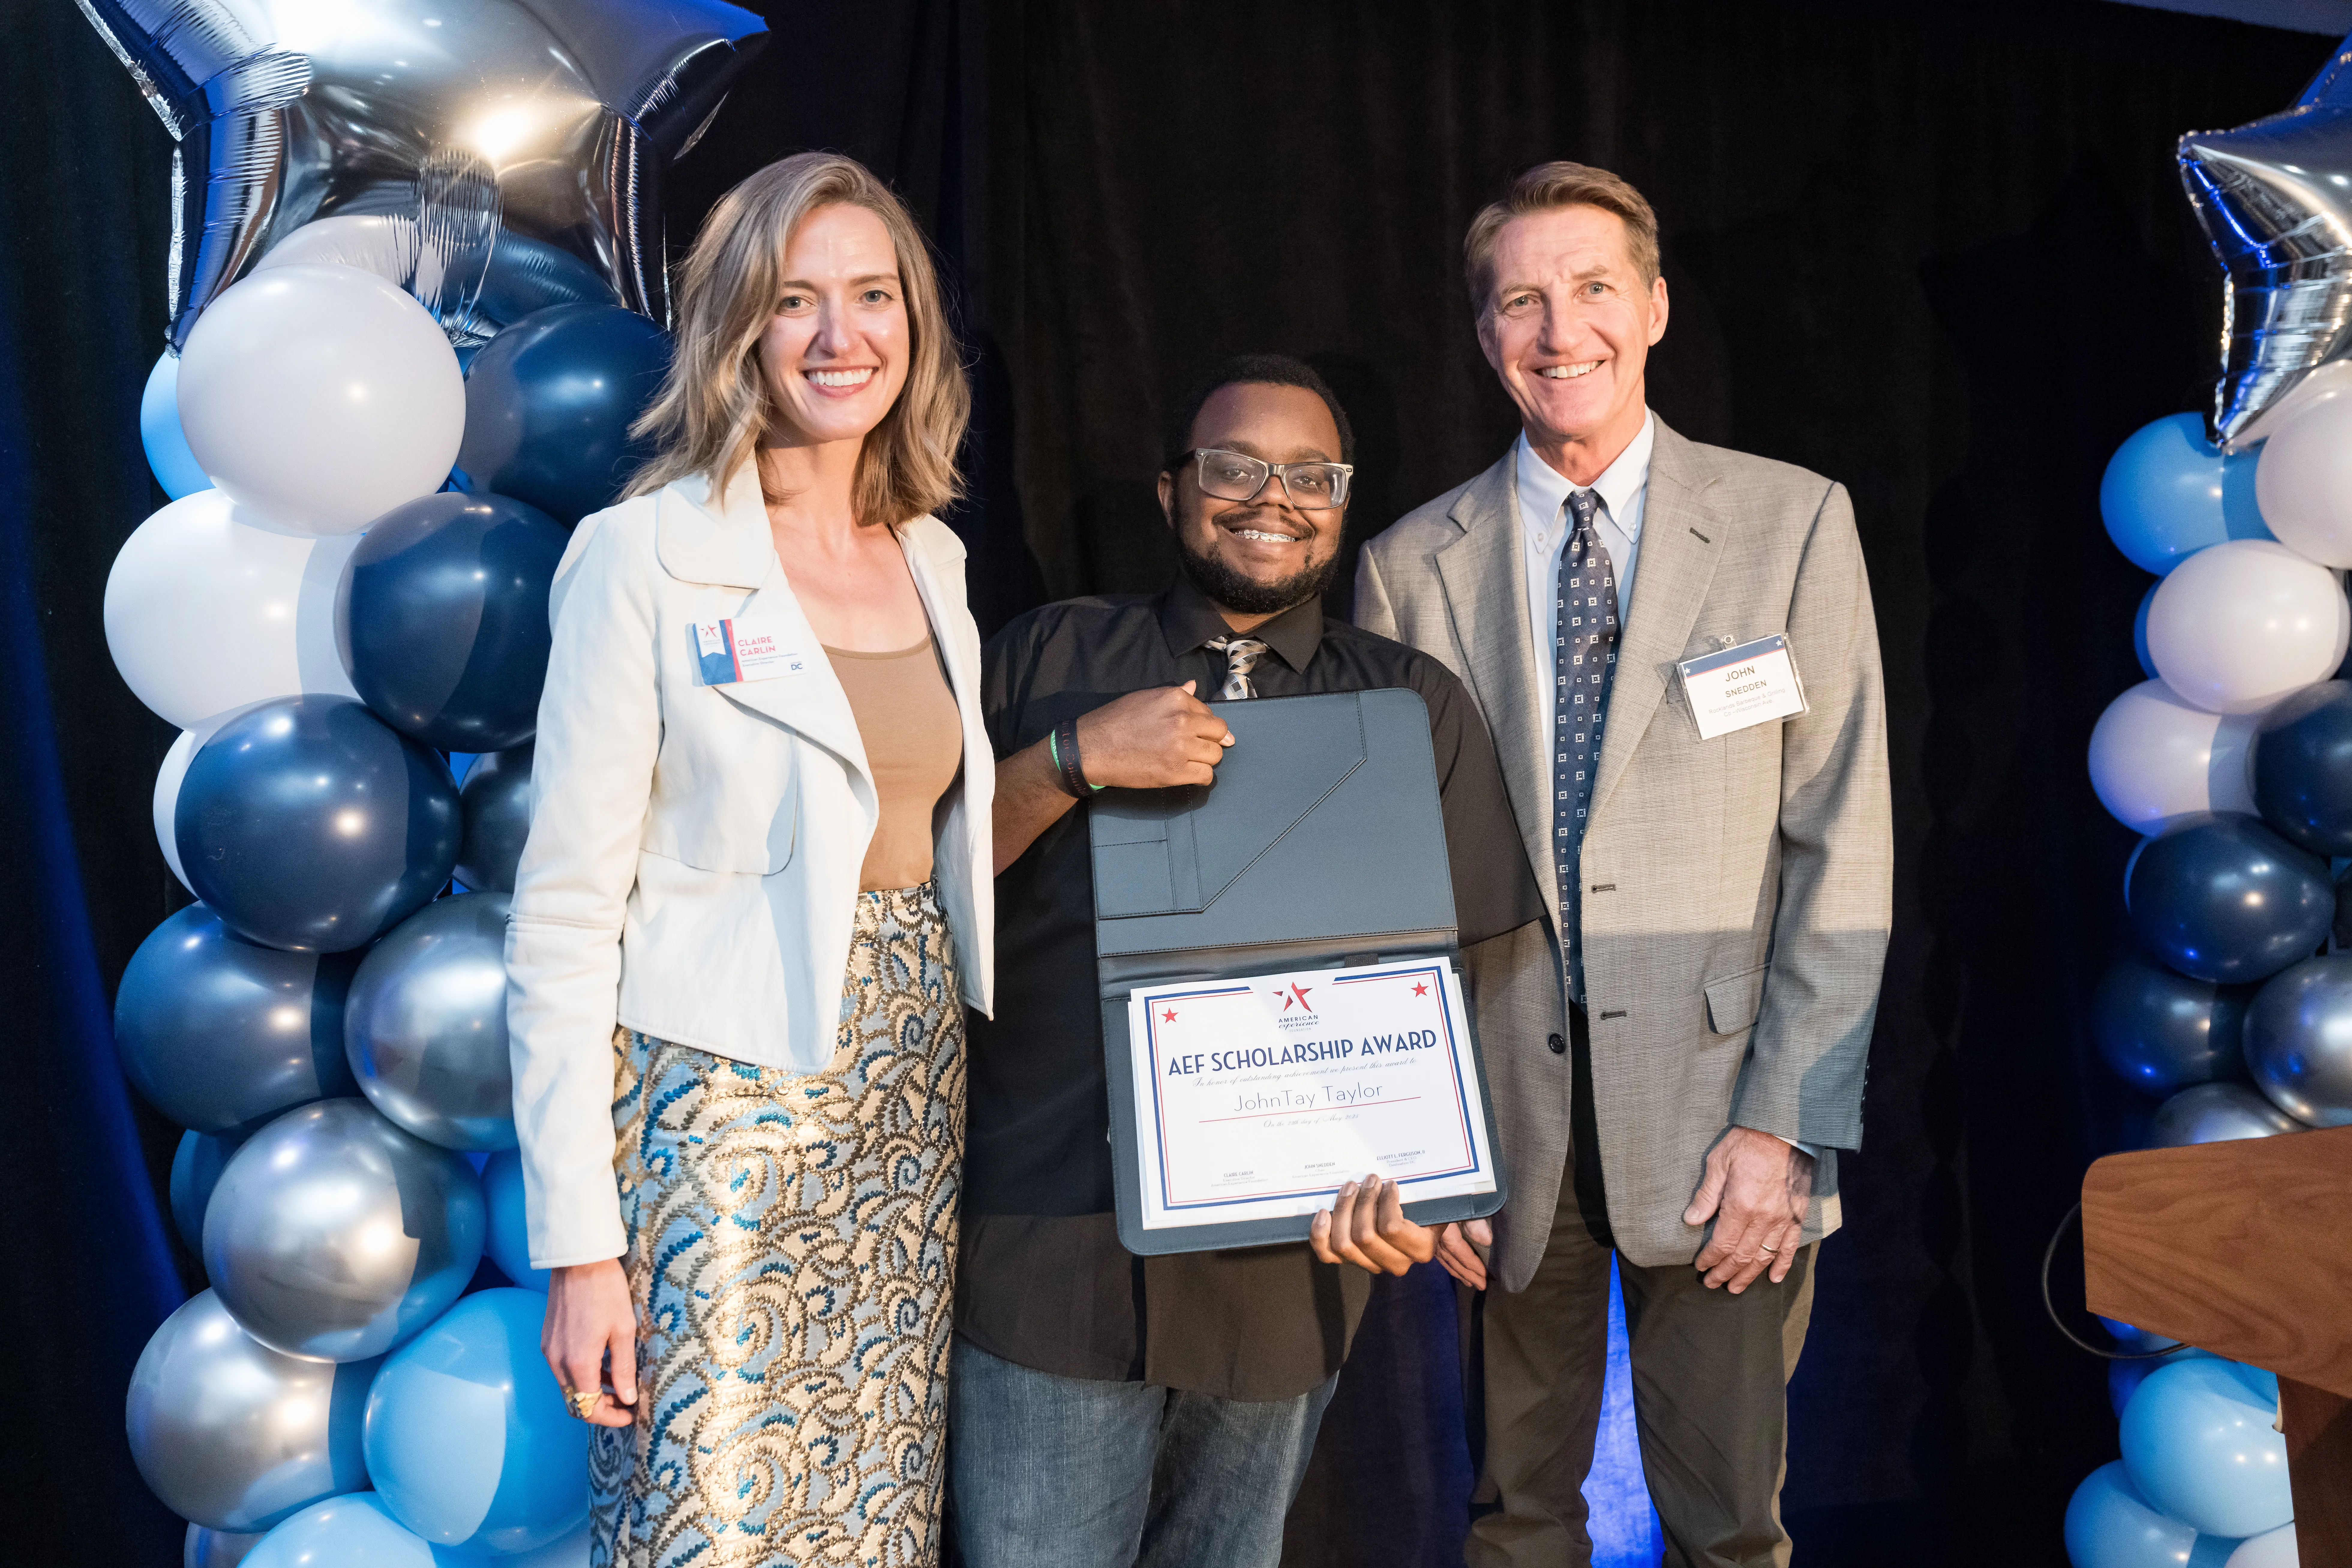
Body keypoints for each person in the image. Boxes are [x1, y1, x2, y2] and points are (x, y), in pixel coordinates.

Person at [1356, 162, 1893, 1567]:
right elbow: (1397, 888)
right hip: (1502, 1128)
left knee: (1728, 1524)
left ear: (1652, 307)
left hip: (1729, 1122)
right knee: (1517, 1518)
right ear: (1486, 337)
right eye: (1520, 300)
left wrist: (1787, 1122)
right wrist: (1428, 1144)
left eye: (1592, 288)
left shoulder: (1789, 524)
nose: (1559, 328)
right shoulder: (1411, 567)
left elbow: (1843, 845)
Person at [951, 354, 1542, 1568]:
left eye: (1311, 475)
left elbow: (1477, 973)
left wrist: (1431, 1185)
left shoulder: (1406, 706)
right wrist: (1068, 759)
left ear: (1343, 500)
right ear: (1173, 490)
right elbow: (923, 886)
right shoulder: (1051, 657)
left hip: (1291, 1269)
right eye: (1235, 468)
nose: (1273, 498)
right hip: (1049, 1250)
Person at [504, 152, 994, 1567]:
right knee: (708, 1528)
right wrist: (581, 1246)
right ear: (736, 328)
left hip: (908, 1104)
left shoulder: (933, 557)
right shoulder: (640, 556)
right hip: (716, 1121)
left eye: (872, 296)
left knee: (871, 1520)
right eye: (795, 301)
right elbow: (563, 919)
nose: (842, 339)